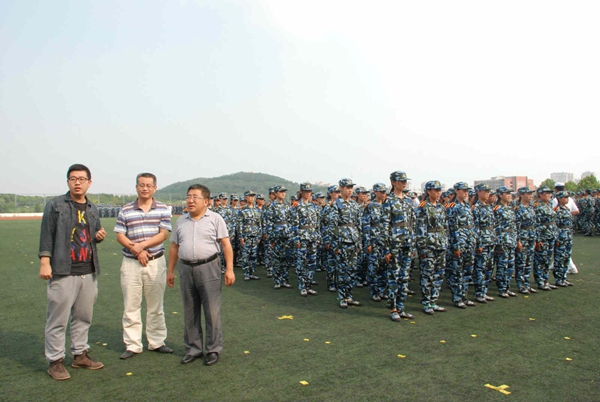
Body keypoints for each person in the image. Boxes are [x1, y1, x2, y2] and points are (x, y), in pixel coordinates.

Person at [39, 164, 106, 380]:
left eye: (82, 179)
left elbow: (93, 233)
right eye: (73, 179)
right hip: (63, 270)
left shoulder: (92, 208)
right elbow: (47, 234)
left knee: (83, 317)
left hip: (88, 270)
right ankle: (55, 361)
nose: (77, 182)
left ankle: (80, 354)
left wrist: (99, 236)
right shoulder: (55, 205)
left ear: (89, 182)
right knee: (57, 319)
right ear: (68, 181)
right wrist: (45, 261)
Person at [167, 184, 235, 366]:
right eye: (188, 196)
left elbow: (226, 245)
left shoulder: (215, 219)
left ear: (206, 201)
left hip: (209, 267)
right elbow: (174, 247)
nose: (190, 200)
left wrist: (229, 269)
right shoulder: (181, 221)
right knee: (190, 311)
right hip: (186, 268)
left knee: (212, 311)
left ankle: (213, 349)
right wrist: (170, 271)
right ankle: (193, 349)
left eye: (195, 197)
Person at [114, 173, 173, 359]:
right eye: (141, 185)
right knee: (131, 305)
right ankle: (133, 344)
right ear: (136, 187)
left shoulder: (163, 209)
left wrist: (142, 246)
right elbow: (120, 235)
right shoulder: (125, 210)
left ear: (155, 188)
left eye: (148, 185)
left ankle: (157, 342)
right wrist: (137, 250)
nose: (145, 188)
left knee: (156, 305)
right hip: (131, 263)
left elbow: (163, 234)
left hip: (155, 262)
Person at [381, 171, 416, 321]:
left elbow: (413, 223)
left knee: (404, 277)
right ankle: (393, 308)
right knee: (394, 276)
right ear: (393, 182)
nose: (404, 183)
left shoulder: (408, 201)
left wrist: (413, 245)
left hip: (407, 242)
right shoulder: (389, 201)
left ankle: (401, 307)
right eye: (401, 181)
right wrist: (386, 249)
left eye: (405, 181)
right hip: (394, 243)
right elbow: (385, 226)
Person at [416, 181, 448, 315]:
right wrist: (422, 248)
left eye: (440, 190)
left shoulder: (441, 207)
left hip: (441, 244)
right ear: (429, 191)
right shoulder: (423, 207)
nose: (438, 193)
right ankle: (426, 302)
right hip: (429, 245)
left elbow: (445, 227)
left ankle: (434, 301)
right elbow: (420, 229)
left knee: (439, 274)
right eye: (436, 190)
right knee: (427, 274)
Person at [329, 178, 362, 308]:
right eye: (347, 188)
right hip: (342, 241)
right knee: (342, 270)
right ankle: (342, 297)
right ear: (341, 188)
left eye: (351, 188)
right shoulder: (337, 204)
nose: (350, 190)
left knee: (352, 270)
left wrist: (359, 243)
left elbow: (358, 224)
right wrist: (335, 244)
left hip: (353, 240)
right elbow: (333, 226)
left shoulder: (354, 204)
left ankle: (349, 296)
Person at [446, 182, 477, 308]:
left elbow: (471, 225)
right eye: (463, 191)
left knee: (467, 271)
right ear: (456, 191)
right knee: (457, 272)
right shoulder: (453, 206)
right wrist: (455, 246)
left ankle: (464, 296)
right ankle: (457, 297)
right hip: (459, 242)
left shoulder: (467, 206)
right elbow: (451, 227)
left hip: (469, 242)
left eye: (467, 191)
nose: (465, 193)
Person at [292, 182, 321, 296]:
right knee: (302, 262)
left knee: (312, 262)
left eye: (310, 192)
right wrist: (296, 239)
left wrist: (318, 238)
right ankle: (302, 286)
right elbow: (294, 224)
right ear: (301, 192)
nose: (308, 193)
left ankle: (309, 285)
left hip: (312, 237)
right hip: (302, 236)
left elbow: (317, 224)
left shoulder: (314, 206)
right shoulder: (297, 206)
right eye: (306, 191)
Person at [265, 185, 294, 289]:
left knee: (286, 258)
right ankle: (277, 280)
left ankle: (285, 280)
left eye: (284, 192)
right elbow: (269, 223)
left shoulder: (287, 205)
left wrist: (291, 234)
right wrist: (271, 239)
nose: (283, 193)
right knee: (277, 259)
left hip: (287, 235)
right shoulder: (272, 206)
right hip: (276, 236)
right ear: (275, 193)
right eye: (281, 191)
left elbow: (291, 220)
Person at [472, 183, 496, 303]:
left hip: (490, 240)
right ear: (478, 192)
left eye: (488, 191)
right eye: (485, 191)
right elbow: (476, 227)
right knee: (480, 268)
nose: (487, 193)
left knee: (488, 268)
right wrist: (479, 243)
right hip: (483, 241)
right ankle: (479, 293)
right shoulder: (476, 208)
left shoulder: (488, 206)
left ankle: (484, 291)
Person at [493, 186, 518, 298]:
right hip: (502, 241)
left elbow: (514, 226)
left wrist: (516, 239)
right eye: (506, 193)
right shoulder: (497, 209)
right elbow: (495, 227)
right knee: (502, 265)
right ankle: (502, 288)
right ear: (500, 195)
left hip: (511, 240)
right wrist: (498, 242)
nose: (509, 195)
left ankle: (507, 287)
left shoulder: (510, 209)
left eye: (509, 193)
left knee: (510, 265)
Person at [514, 186, 538, 294]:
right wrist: (517, 240)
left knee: (528, 262)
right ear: (521, 195)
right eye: (528, 194)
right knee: (521, 262)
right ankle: (521, 285)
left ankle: (527, 284)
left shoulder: (531, 208)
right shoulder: (518, 209)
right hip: (523, 238)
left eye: (531, 194)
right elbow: (516, 226)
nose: (530, 196)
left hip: (531, 237)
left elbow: (534, 224)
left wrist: (535, 238)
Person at [533, 186, 558, 291]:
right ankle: (540, 281)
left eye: (549, 193)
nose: (549, 195)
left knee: (547, 260)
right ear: (540, 194)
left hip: (550, 235)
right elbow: (536, 224)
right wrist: (538, 239)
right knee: (540, 260)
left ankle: (545, 280)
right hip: (543, 237)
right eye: (546, 193)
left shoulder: (549, 205)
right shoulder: (537, 206)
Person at [238, 190, 263, 281]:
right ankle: (246, 273)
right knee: (246, 255)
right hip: (246, 236)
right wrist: (241, 237)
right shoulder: (242, 210)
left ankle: (252, 273)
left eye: (253, 196)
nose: (252, 198)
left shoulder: (257, 210)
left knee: (253, 255)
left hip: (255, 235)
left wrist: (259, 236)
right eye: (250, 196)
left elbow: (259, 224)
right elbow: (240, 224)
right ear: (246, 198)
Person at [553, 191, 574, 287]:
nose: (567, 199)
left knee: (566, 257)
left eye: (567, 197)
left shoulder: (567, 209)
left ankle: (564, 278)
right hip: (561, 236)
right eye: (564, 197)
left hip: (568, 235)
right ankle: (558, 278)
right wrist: (557, 238)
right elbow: (555, 225)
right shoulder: (557, 210)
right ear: (559, 199)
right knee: (560, 258)